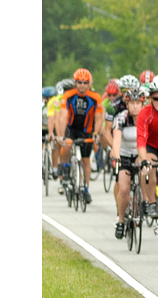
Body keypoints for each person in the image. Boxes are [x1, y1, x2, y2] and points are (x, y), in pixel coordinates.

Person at [57, 68, 104, 205]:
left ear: (89, 83)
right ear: (75, 82)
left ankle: (85, 189)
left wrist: (95, 133)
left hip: (87, 131)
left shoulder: (95, 97)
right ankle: (65, 168)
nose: (82, 85)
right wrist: (61, 136)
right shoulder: (68, 95)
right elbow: (62, 117)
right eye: (79, 82)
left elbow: (99, 118)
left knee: (85, 161)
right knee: (68, 144)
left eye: (85, 82)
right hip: (71, 129)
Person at [111, 89, 146, 238]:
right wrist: (117, 156)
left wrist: (143, 157)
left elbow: (149, 140)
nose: (135, 107)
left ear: (143, 104)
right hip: (125, 155)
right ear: (127, 104)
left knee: (146, 175)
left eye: (138, 103)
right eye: (132, 103)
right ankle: (120, 220)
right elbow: (117, 140)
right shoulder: (121, 118)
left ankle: (146, 203)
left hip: (140, 154)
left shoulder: (146, 118)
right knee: (124, 189)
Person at [137, 75, 158, 216]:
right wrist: (143, 159)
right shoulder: (145, 113)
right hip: (153, 147)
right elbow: (141, 139)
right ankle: (151, 202)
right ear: (150, 98)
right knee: (149, 165)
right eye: (155, 98)